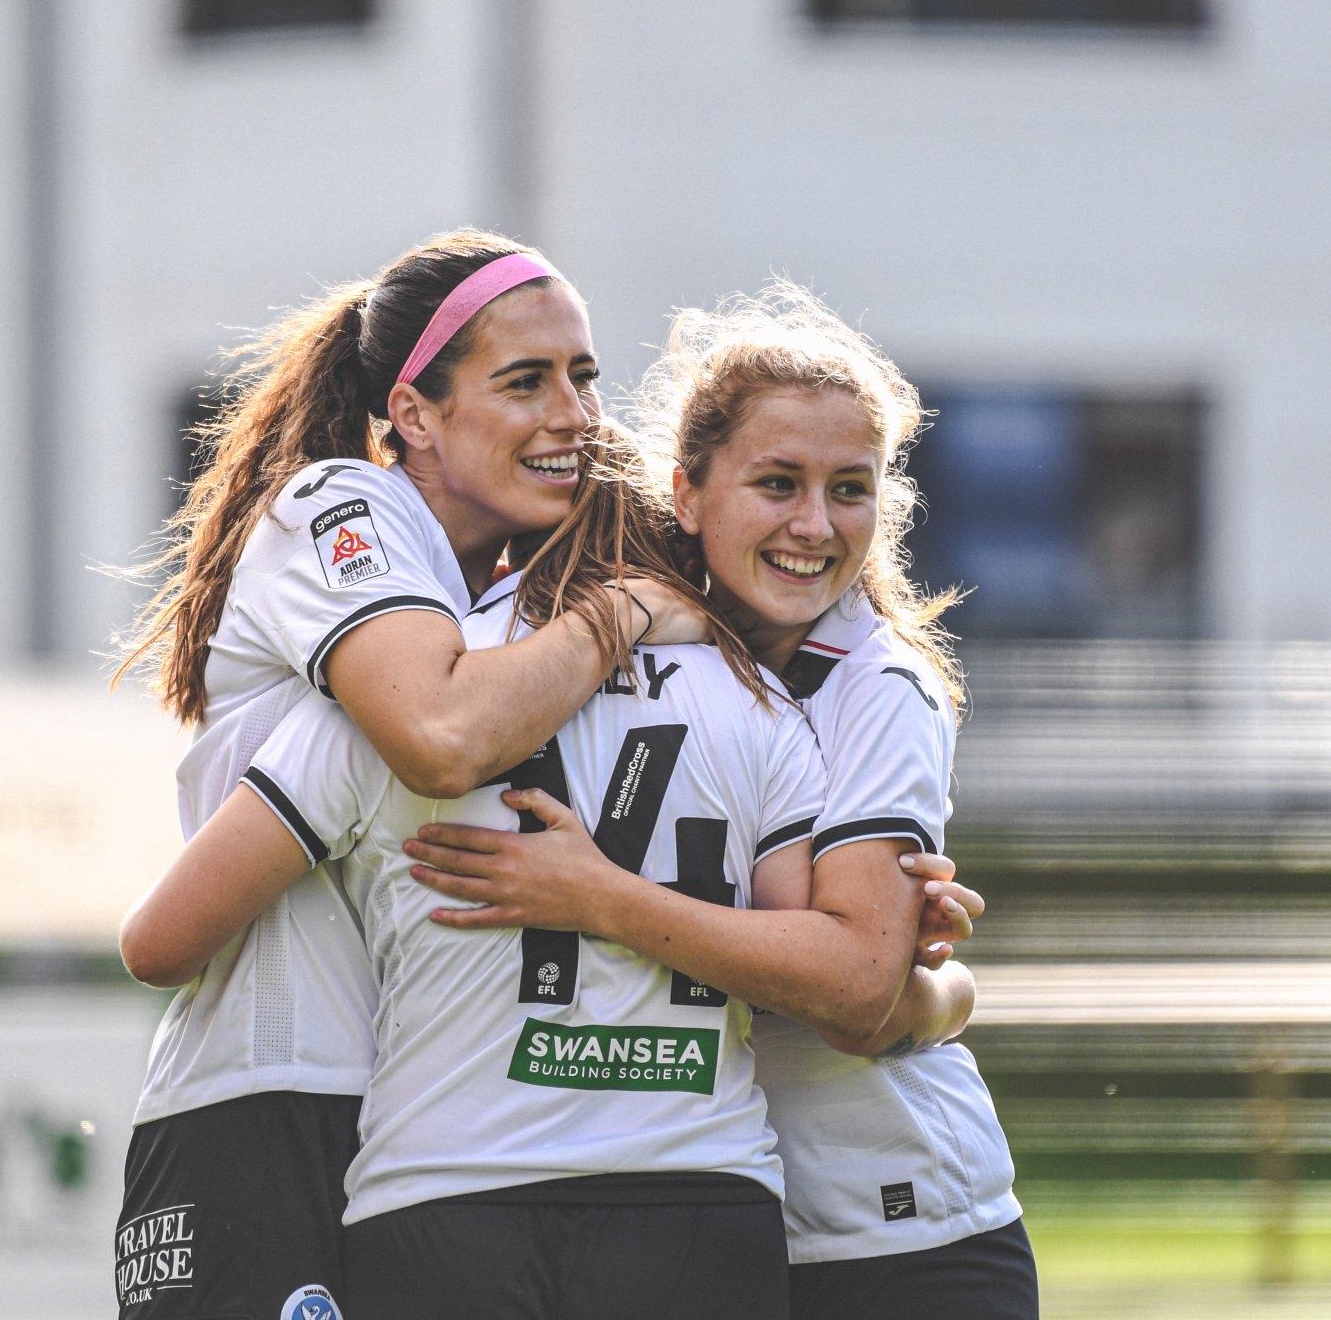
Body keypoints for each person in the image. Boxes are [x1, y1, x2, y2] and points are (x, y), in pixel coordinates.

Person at [405, 284, 1038, 1318]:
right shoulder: (620, 642)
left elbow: (851, 992)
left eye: (849, 489)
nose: (813, 524)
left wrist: (599, 898)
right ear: (686, 494)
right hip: (708, 1229)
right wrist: (921, 990)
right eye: (777, 482)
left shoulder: (877, 685)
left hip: (898, 1237)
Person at [108, 231, 705, 1320]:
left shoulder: (498, 600)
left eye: (582, 375)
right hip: (266, 1109)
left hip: (410, 1131)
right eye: (522, 380)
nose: (572, 411)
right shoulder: (344, 502)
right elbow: (434, 734)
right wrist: (620, 612)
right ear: (414, 413)